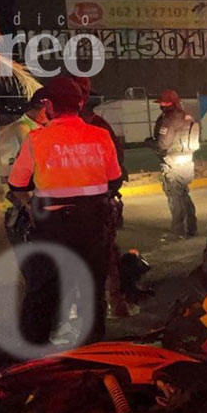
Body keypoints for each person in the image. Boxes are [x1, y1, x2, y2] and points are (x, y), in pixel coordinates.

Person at [8, 76, 123, 347]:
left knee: (44, 289)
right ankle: (92, 349)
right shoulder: (101, 135)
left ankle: (33, 353)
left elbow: (17, 184)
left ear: (48, 106)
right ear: (80, 103)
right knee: (92, 289)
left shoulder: (37, 139)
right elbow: (114, 179)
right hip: (94, 225)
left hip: (52, 226)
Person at [68, 75, 135, 319]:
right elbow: (116, 170)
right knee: (106, 256)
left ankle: (81, 307)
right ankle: (114, 304)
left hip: (64, 210)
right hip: (97, 205)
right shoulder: (100, 127)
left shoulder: (49, 131)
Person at [153, 89, 199, 240]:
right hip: (187, 162)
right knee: (184, 194)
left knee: (174, 197)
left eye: (162, 103)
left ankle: (178, 231)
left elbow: (163, 144)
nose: (161, 106)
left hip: (173, 163)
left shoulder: (169, 120)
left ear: (167, 104)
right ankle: (192, 227)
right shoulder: (189, 118)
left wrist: (151, 144)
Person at [0, 88, 49, 186]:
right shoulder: (16, 131)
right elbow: (7, 172)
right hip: (24, 191)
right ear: (43, 111)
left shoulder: (35, 127)